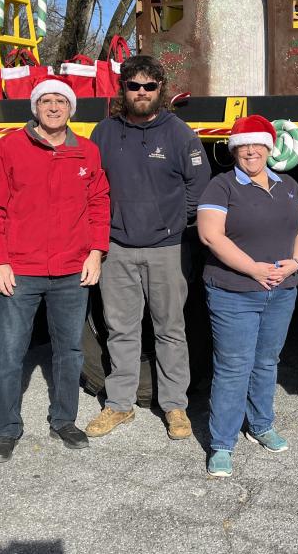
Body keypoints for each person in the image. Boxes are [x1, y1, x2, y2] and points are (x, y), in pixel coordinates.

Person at [0, 76, 110, 463]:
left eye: (61, 102)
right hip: (20, 270)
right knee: (9, 352)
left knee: (69, 352)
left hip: (71, 272)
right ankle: (6, 429)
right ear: (35, 108)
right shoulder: (9, 149)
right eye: (46, 101)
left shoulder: (86, 152)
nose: (53, 108)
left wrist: (96, 252)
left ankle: (64, 420)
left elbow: (100, 204)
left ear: (71, 109)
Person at [86, 56, 211, 441]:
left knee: (170, 329)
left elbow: (198, 186)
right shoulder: (104, 132)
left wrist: (172, 224)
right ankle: (119, 404)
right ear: (123, 89)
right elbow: (92, 186)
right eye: (133, 86)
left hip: (166, 249)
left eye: (149, 86)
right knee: (119, 329)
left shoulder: (179, 133)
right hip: (116, 248)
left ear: (161, 90)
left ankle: (175, 406)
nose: (141, 93)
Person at [196, 115, 298, 478]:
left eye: (257, 144)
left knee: (266, 361)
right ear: (234, 150)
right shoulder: (221, 187)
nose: (251, 150)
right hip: (234, 293)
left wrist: (295, 263)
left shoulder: (289, 184)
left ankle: (260, 425)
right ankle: (222, 443)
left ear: (269, 147)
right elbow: (211, 236)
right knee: (233, 367)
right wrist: (254, 269)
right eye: (243, 145)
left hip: (281, 292)